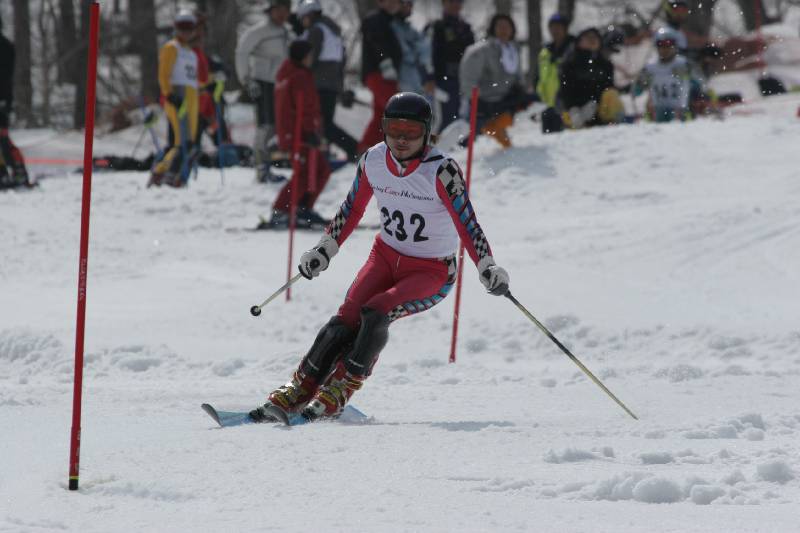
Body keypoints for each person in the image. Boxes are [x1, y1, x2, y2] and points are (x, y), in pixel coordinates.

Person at [248, 92, 510, 423]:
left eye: (412, 132)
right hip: (384, 256)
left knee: (377, 311)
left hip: (430, 271)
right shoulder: (373, 159)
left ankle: (339, 390)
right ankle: (298, 389)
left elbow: (467, 224)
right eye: (393, 129)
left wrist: (487, 265)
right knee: (346, 317)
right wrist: (325, 248)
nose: (401, 139)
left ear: (427, 133)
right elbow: (352, 209)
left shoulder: (442, 171)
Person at [261, 40, 331, 230]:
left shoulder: (287, 73)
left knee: (320, 170)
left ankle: (302, 208)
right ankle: (281, 210)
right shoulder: (300, 76)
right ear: (303, 56)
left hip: (292, 132)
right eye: (309, 55)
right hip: (299, 133)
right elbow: (304, 106)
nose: (311, 58)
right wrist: (311, 131)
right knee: (305, 173)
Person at [235, 0, 292, 183]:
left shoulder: (287, 31)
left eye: (285, 10)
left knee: (277, 126)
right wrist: (246, 79)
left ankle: (269, 164)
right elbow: (242, 52)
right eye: (278, 10)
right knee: (265, 125)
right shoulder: (259, 31)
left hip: (282, 85)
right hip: (263, 82)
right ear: (270, 11)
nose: (282, 14)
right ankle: (261, 167)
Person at [459, 14, 535, 149]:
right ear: (493, 28)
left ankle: (496, 126)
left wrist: (522, 90)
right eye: (500, 26)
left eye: (507, 26)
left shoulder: (513, 50)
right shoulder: (481, 50)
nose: (504, 30)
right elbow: (469, 78)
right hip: (484, 99)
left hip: (504, 97)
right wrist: (473, 97)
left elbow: (518, 77)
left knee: (534, 100)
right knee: (467, 135)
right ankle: (490, 128)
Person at [294, 0, 358, 162]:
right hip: (332, 82)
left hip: (319, 82)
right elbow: (342, 60)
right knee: (324, 122)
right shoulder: (332, 31)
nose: (302, 23)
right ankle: (324, 154)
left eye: (303, 18)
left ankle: (354, 148)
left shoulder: (316, 30)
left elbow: (309, 58)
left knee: (323, 124)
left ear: (309, 15)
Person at [149, 10, 200, 187]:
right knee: (182, 141)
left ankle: (171, 173)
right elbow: (163, 74)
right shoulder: (172, 47)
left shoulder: (191, 52)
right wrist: (169, 94)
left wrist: (209, 84)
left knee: (189, 142)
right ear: (176, 28)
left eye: (189, 28)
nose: (186, 32)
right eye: (182, 27)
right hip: (178, 95)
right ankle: (164, 172)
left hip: (192, 97)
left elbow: (193, 77)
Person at [358, 0, 403, 154]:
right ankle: (405, 149)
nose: (392, 4)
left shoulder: (391, 21)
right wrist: (386, 63)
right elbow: (377, 42)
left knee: (380, 115)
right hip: (378, 73)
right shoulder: (376, 19)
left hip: (386, 75)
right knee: (396, 110)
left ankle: (366, 149)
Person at [558, 27, 624, 129]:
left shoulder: (605, 65)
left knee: (612, 94)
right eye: (588, 37)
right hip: (574, 111)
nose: (592, 40)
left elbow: (608, 88)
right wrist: (573, 108)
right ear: (579, 41)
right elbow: (565, 91)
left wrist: (594, 103)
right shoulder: (570, 64)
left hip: (598, 110)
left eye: (595, 37)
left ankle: (613, 125)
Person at [425, 0, 474, 133]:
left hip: (463, 81)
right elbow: (427, 54)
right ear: (444, 3)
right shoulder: (435, 26)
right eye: (451, 1)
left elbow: (472, 56)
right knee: (443, 120)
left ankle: (459, 144)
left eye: (458, 1)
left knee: (462, 120)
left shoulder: (466, 28)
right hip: (442, 81)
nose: (455, 5)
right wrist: (429, 78)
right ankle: (436, 144)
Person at [634, 27, 692, 123]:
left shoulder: (684, 64)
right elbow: (636, 91)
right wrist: (641, 83)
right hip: (657, 111)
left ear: (675, 46)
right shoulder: (650, 67)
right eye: (660, 44)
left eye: (669, 44)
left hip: (680, 111)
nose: (665, 49)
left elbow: (698, 87)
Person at [0, 14, 30, 190]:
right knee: (3, 140)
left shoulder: (5, 47)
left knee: (3, 140)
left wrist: (4, 101)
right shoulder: (7, 46)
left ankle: (16, 172)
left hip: (2, 99)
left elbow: (5, 77)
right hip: (5, 99)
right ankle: (7, 172)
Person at [536, 13, 575, 134]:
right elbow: (538, 76)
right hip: (547, 105)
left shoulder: (574, 48)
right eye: (552, 27)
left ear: (565, 29)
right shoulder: (545, 51)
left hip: (568, 104)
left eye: (558, 27)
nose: (555, 31)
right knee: (549, 139)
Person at [392, 0, 436, 100]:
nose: (409, 8)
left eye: (411, 5)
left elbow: (424, 49)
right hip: (401, 75)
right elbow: (405, 52)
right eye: (407, 4)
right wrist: (416, 50)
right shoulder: (393, 26)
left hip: (415, 75)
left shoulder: (409, 28)